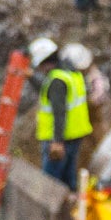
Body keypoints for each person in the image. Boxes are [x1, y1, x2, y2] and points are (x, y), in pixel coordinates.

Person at [33, 38, 93, 184]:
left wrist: (57, 142)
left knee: (51, 182)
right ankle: (73, 205)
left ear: (45, 63)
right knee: (68, 178)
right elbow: (47, 91)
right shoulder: (71, 74)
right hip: (75, 134)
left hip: (61, 138)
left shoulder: (57, 81)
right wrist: (31, 77)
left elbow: (59, 112)